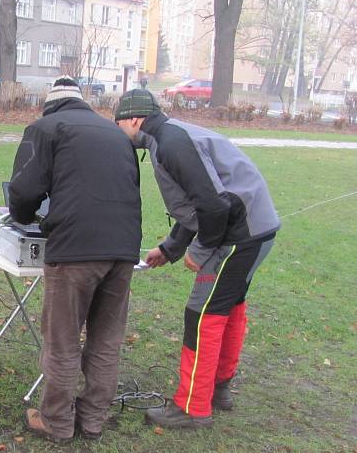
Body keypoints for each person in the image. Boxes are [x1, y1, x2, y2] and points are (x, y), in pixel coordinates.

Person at [114, 89, 280, 429]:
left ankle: (193, 406)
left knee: (202, 314)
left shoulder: (172, 143)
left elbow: (213, 205)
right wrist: (170, 248)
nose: (119, 132)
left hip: (239, 235)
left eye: (118, 125)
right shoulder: (170, 135)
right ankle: (218, 389)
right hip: (255, 229)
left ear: (133, 119)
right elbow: (196, 205)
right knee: (228, 307)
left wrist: (200, 251)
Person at [8, 76, 142, 442]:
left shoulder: (45, 128)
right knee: (106, 340)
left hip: (76, 249)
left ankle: (57, 421)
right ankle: (93, 420)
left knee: (63, 339)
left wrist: (21, 215)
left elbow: (23, 189)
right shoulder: (115, 133)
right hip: (124, 248)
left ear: (48, 105)